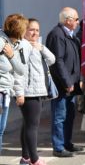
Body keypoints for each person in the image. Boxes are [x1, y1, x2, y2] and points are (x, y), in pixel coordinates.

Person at [46, 7, 83, 157]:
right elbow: (58, 61)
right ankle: (59, 147)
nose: (78, 21)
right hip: (62, 84)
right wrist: (67, 82)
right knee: (59, 116)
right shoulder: (57, 35)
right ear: (68, 20)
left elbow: (75, 59)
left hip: (71, 84)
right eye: (76, 19)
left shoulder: (70, 35)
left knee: (69, 115)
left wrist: (77, 80)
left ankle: (67, 143)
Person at [17, 18, 55, 165]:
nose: (34, 32)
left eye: (37, 30)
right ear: (24, 30)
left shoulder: (37, 46)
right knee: (32, 126)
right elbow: (19, 72)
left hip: (37, 90)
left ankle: (26, 157)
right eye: (31, 29)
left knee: (27, 124)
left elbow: (52, 59)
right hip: (29, 92)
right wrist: (20, 92)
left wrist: (41, 47)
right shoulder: (23, 46)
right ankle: (34, 159)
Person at [0, 14, 27, 155]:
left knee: (1, 130)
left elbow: (21, 69)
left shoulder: (14, 45)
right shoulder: (1, 42)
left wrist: (11, 56)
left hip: (5, 93)